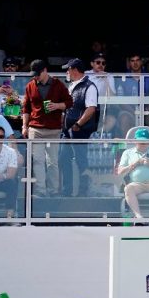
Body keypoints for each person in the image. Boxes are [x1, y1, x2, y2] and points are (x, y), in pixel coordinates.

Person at [21, 59, 73, 197]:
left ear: (45, 71)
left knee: (53, 162)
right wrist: (24, 126)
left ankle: (54, 190)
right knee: (37, 161)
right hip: (35, 128)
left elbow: (69, 102)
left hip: (54, 128)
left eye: (37, 74)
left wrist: (57, 106)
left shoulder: (58, 84)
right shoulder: (30, 86)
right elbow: (25, 108)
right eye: (34, 74)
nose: (35, 77)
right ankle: (40, 191)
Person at [60, 58, 99, 197]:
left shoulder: (90, 86)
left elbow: (91, 108)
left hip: (79, 130)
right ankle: (67, 190)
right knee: (63, 158)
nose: (67, 72)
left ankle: (83, 191)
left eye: (68, 69)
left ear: (74, 70)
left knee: (81, 161)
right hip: (67, 130)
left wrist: (78, 124)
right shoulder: (71, 86)